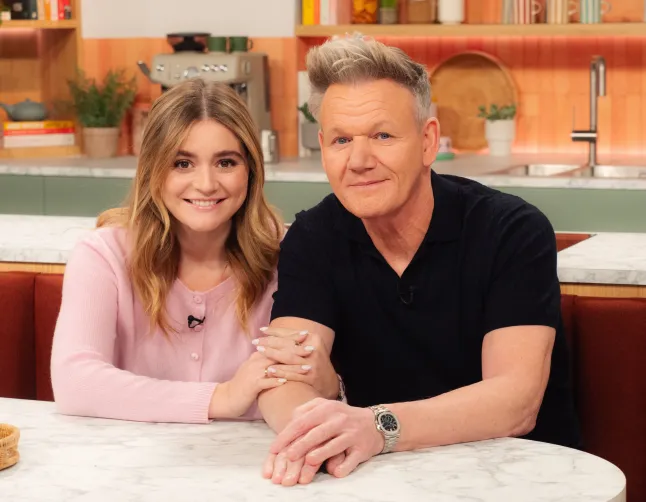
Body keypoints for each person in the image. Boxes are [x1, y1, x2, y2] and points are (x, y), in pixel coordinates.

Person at [255, 35, 581, 486]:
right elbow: (281, 377)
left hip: (523, 478)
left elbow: (515, 402)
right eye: (342, 140)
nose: (359, 160)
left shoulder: (511, 231)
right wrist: (320, 434)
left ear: (428, 141)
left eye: (382, 135)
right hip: (378, 479)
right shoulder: (313, 236)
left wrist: (375, 427)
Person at [50, 79, 336, 423]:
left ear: (251, 170)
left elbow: (308, 389)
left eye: (226, 163)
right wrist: (222, 397)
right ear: (152, 169)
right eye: (182, 163)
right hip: (130, 455)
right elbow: (75, 383)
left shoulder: (292, 254)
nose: (206, 184)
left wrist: (330, 384)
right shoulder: (103, 255)